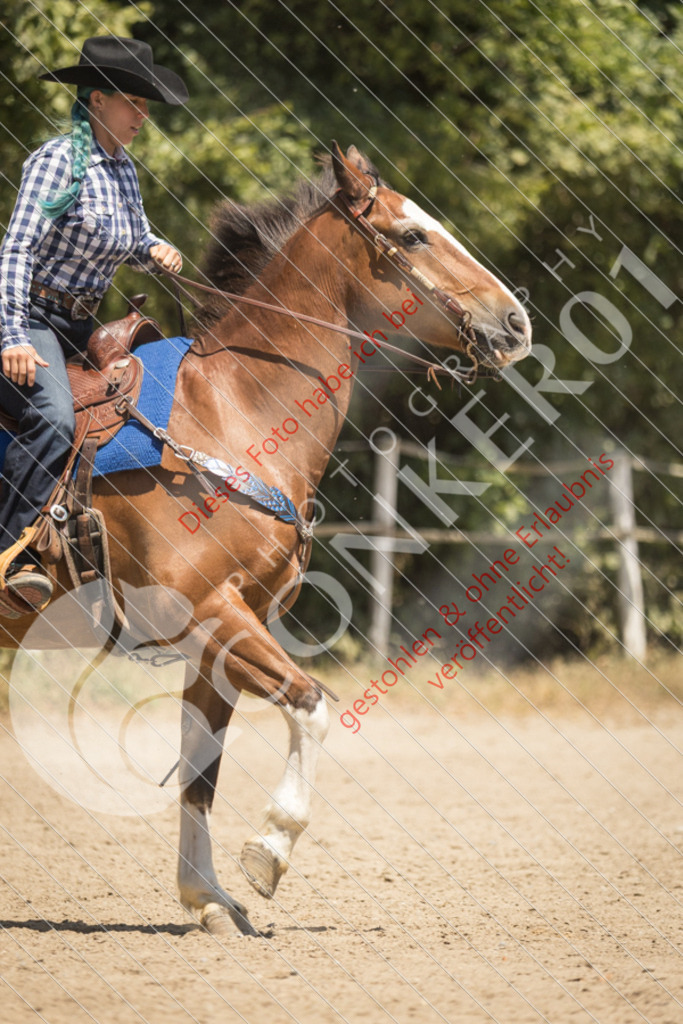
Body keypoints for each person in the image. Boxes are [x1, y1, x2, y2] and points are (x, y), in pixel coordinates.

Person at [0, 36, 188, 612]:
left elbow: (131, 239)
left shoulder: (123, 171)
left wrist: (157, 249)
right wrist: (10, 336)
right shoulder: (57, 160)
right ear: (98, 99)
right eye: (133, 101)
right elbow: (16, 251)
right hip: (29, 313)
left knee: (158, 387)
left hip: (81, 322)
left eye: (146, 105)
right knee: (53, 416)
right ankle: (13, 554)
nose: (142, 115)